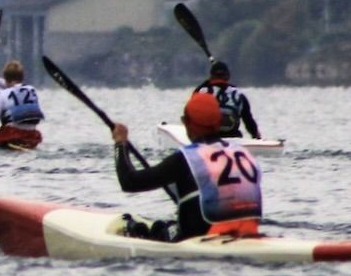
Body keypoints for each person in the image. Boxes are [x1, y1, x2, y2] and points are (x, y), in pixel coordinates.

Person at [109, 93, 261, 242]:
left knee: (151, 229)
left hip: (202, 238)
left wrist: (120, 143)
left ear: (186, 123)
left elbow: (129, 182)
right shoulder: (243, 153)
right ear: (219, 122)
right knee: (169, 224)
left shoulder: (185, 159)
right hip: (249, 234)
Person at [193, 61, 260, 140]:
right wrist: (256, 136)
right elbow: (249, 121)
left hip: (209, 139)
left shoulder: (201, 92)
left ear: (211, 76)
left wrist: (207, 81)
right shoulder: (239, 94)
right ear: (228, 76)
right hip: (234, 139)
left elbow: (191, 112)